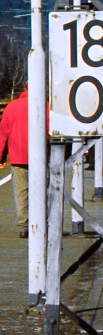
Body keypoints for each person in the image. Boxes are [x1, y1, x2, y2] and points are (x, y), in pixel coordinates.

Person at [0, 87, 41, 238]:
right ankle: (41, 223)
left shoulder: (11, 107)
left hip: (18, 157)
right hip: (40, 157)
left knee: (21, 192)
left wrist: (1, 157)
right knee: (41, 191)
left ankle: (24, 227)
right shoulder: (45, 106)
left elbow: (3, 134)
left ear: (24, 89)